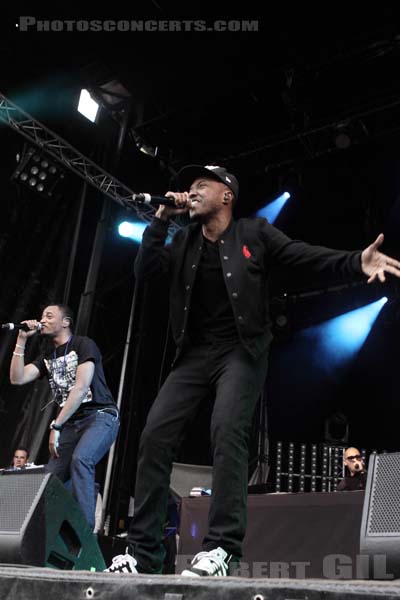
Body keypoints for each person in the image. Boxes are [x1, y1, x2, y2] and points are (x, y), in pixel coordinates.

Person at [105, 164, 400, 577]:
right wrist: (160, 219)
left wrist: (355, 262)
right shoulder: (184, 240)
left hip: (240, 352)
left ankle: (222, 548)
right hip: (193, 355)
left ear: (226, 195)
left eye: (200, 186)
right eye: (187, 187)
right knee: (154, 435)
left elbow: (303, 254)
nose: (190, 192)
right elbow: (145, 272)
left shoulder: (254, 233)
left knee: (227, 431)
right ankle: (143, 553)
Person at [9, 303, 120, 530]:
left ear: (65, 322)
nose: (43, 319)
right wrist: (21, 340)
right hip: (70, 424)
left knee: (82, 459)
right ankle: (48, 534)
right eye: (42, 315)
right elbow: (17, 378)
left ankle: (85, 532)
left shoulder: (82, 344)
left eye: (49, 315)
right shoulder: (47, 357)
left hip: (100, 416)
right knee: (52, 479)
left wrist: (56, 426)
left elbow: (80, 388)